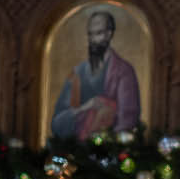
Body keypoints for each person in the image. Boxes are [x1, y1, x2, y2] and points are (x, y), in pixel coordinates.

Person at [50, 9, 142, 142]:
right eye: (90, 34)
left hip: (109, 150)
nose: (93, 40)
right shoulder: (78, 73)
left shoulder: (123, 71)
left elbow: (127, 118)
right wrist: (85, 107)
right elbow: (57, 122)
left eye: (98, 33)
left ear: (109, 34)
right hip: (74, 149)